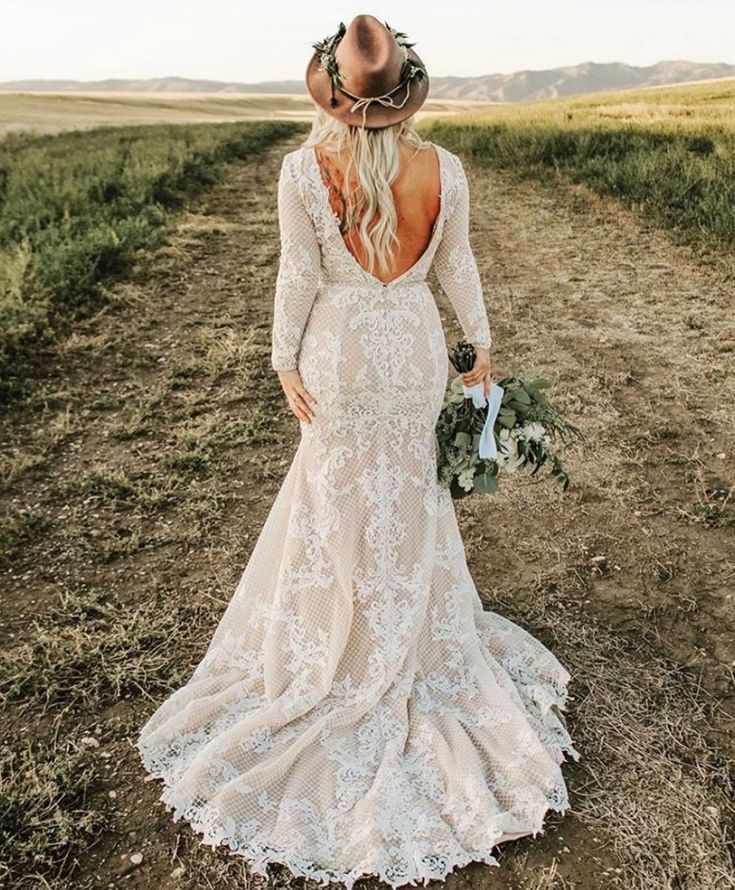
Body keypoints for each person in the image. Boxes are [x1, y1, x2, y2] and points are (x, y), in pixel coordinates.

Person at [136, 14, 580, 888]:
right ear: (405, 94)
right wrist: (479, 345)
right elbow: (458, 266)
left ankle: (330, 647)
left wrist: (281, 359)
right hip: (410, 350)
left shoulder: (303, 170)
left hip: (339, 353)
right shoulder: (443, 171)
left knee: (335, 501)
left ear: (333, 96)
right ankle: (405, 639)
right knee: (409, 497)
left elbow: (296, 275)